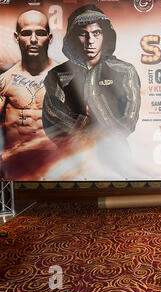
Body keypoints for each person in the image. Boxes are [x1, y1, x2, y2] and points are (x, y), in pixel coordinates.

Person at [42, 5, 141, 177]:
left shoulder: (125, 71)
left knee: (118, 197)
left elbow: (129, 117)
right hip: (73, 158)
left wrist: (100, 128)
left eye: (96, 33)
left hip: (115, 156)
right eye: (83, 34)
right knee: (74, 199)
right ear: (73, 37)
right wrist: (83, 123)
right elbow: (52, 115)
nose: (90, 40)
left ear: (106, 35)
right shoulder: (57, 74)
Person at [0, 10, 57, 180]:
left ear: (50, 38)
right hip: (17, 166)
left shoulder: (66, 79)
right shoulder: (5, 81)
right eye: (26, 33)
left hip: (56, 166)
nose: (33, 39)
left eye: (40, 33)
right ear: (17, 37)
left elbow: (84, 127)